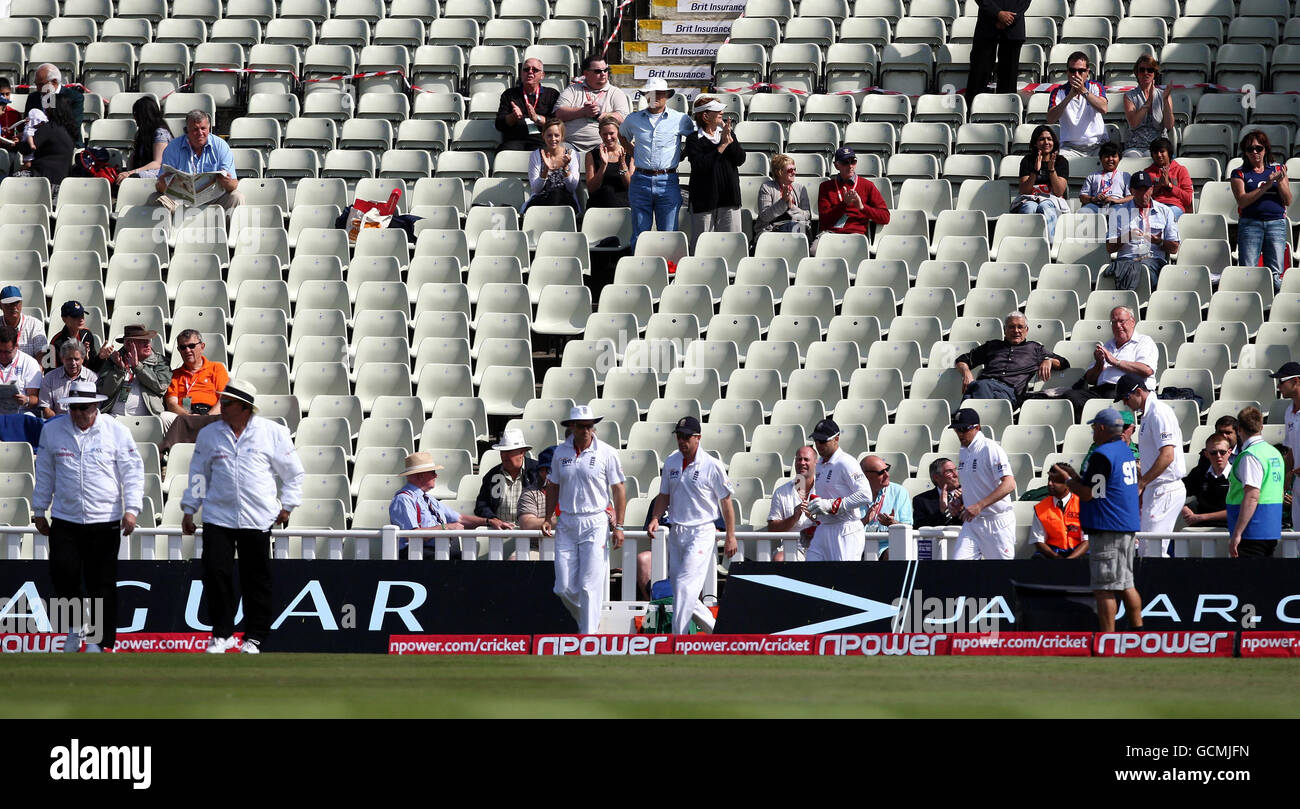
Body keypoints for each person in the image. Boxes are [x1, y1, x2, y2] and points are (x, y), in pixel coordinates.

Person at [181, 380, 305, 654]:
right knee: (215, 574)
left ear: (245, 407)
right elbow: (199, 474)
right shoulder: (210, 434)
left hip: (258, 517)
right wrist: (190, 508)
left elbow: (293, 473)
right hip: (218, 516)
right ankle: (221, 635)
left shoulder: (272, 432)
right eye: (221, 402)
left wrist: (287, 506)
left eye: (227, 403)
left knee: (256, 579)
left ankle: (255, 637)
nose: (221, 407)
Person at [33, 380, 144, 653]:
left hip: (104, 518)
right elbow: (45, 472)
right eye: (73, 408)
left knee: (102, 582)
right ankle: (75, 627)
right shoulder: (53, 431)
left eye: (84, 408)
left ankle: (100, 643)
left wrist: (132, 509)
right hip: (65, 518)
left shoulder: (116, 431)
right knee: (62, 574)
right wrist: (39, 509)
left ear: (95, 406)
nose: (79, 414)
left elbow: (133, 471)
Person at [645, 417, 736, 635]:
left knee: (685, 585)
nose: (682, 441)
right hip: (677, 531)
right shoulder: (671, 462)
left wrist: (731, 535)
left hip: (702, 530)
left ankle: (678, 639)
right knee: (681, 591)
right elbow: (664, 495)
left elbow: (726, 502)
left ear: (698, 438)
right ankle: (720, 633)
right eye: (679, 436)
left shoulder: (712, 465)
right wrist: (656, 517)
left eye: (687, 437)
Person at [542, 405, 627, 634]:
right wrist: (549, 516)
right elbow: (553, 486)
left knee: (590, 586)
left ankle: (587, 638)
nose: (587, 431)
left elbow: (619, 489)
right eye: (581, 426)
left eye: (590, 426)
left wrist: (619, 526)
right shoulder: (561, 453)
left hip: (595, 521)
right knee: (562, 587)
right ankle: (588, 621)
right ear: (572, 427)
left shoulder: (607, 452)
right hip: (567, 521)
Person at [1066, 408, 1144, 632]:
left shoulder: (1103, 454)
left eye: (1093, 428)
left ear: (1101, 428)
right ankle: (1139, 631)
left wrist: (1068, 481)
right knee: (1125, 583)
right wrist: (1075, 475)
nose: (1092, 432)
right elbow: (1100, 487)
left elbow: (1089, 493)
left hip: (1108, 526)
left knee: (1105, 587)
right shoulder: (1125, 450)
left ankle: (1107, 638)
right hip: (1124, 525)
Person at [1114, 371, 1186, 557]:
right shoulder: (1148, 414)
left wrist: (1142, 483)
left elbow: (1167, 455)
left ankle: (1163, 587)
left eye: (1125, 397)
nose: (1124, 403)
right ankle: (1158, 587)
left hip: (1165, 488)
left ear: (1138, 391)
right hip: (1156, 488)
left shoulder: (1159, 412)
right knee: (1147, 548)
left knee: (1154, 551)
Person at [620, 77, 695, 246]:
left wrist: (681, 156)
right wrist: (635, 153)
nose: (656, 97)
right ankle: (639, 270)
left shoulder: (681, 119)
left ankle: (668, 271)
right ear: (645, 95)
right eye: (652, 93)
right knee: (640, 234)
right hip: (640, 180)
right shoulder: (633, 119)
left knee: (668, 234)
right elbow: (622, 136)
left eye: (660, 93)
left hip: (668, 180)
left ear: (667, 95)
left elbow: (694, 140)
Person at [390, 451, 495, 557]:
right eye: (432, 472)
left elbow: (460, 519)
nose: (436, 475)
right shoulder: (403, 499)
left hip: (432, 552)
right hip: (416, 554)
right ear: (421, 475)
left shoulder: (429, 499)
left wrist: (489, 521)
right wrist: (445, 528)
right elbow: (412, 535)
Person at [955, 311, 1067, 404]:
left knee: (976, 389)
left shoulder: (1035, 349)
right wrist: (966, 372)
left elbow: (1064, 362)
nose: (1016, 331)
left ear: (1026, 330)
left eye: (1020, 327)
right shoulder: (992, 346)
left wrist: (1049, 360)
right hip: (984, 387)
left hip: (1009, 394)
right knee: (975, 389)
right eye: (1011, 327)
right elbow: (962, 360)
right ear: (1005, 329)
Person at [950, 407, 1018, 560]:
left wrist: (979, 505)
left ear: (977, 428)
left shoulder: (990, 448)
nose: (960, 434)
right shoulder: (963, 450)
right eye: (956, 430)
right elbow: (974, 484)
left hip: (997, 522)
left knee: (1001, 574)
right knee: (957, 567)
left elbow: (1010, 484)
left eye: (963, 429)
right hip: (972, 523)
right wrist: (960, 501)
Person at [805, 418, 875, 562]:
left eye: (823, 441)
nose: (818, 445)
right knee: (810, 574)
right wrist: (814, 518)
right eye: (816, 441)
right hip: (824, 528)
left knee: (841, 579)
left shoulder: (846, 462)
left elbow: (866, 495)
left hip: (846, 530)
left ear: (836, 439)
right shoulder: (819, 465)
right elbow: (824, 498)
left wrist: (832, 505)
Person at [1231, 130, 1292, 292]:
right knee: (1248, 272)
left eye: (1259, 148)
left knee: (1275, 273)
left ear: (1266, 149)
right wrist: (1267, 184)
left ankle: (1273, 309)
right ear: (1245, 152)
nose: (1255, 152)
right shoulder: (1239, 173)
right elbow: (1242, 201)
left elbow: (1288, 200)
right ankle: (1250, 307)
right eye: (1250, 149)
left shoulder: (1277, 169)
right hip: (1250, 224)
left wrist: (1280, 182)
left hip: (1276, 224)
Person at [683, 95, 745, 251]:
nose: (721, 113)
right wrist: (723, 145)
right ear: (705, 116)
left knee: (731, 247)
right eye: (716, 110)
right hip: (704, 201)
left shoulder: (726, 133)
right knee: (703, 247)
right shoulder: (693, 139)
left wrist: (729, 140)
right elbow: (701, 165)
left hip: (729, 197)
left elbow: (740, 159)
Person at [1104, 170, 1180, 291]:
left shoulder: (1165, 212)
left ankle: (1125, 299)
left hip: (1153, 261)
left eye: (1146, 189)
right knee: (1130, 268)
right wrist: (1126, 237)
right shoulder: (1118, 212)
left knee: (1141, 268)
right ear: (1131, 191)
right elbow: (1109, 248)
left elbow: (1174, 247)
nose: (1143, 193)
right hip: (1126, 260)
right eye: (1139, 189)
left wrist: (1158, 241)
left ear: (1152, 189)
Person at [1227, 407, 1287, 558]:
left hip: (1252, 530)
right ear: (1261, 427)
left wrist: (1238, 533)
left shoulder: (1250, 456)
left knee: (1248, 580)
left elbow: (1252, 495)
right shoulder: (1274, 453)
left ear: (1239, 428)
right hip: (1270, 528)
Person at [155, 110, 242, 209]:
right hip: (180, 201)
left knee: (237, 197)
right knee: (155, 198)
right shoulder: (173, 147)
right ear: (187, 130)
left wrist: (227, 182)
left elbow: (233, 184)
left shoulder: (221, 146)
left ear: (209, 128)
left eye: (203, 128)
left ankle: (227, 225)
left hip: (213, 199)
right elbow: (160, 187)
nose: (200, 133)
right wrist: (162, 184)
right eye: (195, 129)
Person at [815, 147, 890, 253]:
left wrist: (862, 207)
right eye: (845, 162)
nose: (850, 166)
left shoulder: (867, 185)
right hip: (830, 233)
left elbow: (885, 217)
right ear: (836, 165)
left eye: (853, 161)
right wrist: (843, 204)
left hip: (856, 234)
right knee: (815, 250)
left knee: (856, 251)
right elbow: (824, 221)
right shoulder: (825, 187)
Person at [556, 55, 631, 154]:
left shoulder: (616, 92)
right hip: (571, 144)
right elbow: (559, 113)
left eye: (605, 70)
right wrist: (583, 112)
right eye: (598, 71)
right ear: (586, 73)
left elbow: (623, 119)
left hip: (604, 143)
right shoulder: (572, 90)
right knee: (555, 150)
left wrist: (600, 115)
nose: (603, 74)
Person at [97, 324, 172, 422]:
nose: (148, 344)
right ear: (128, 344)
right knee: (98, 420)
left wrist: (138, 367)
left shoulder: (160, 361)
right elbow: (104, 392)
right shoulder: (113, 361)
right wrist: (119, 370)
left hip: (149, 417)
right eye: (143, 341)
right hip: (114, 417)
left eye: (148, 340)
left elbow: (161, 386)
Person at [1045, 51, 1108, 160]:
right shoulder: (1058, 92)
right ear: (1067, 72)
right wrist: (1069, 97)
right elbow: (1050, 119)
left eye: (1081, 71)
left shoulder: (1095, 86)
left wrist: (1083, 91)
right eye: (1072, 70)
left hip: (1098, 145)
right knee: (1057, 162)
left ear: (1087, 72)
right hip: (1070, 148)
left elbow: (1104, 108)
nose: (1076, 74)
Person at [475, 428, 541, 529]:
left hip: (529, 531)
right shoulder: (492, 475)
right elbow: (481, 505)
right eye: (502, 451)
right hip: (500, 531)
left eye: (509, 451)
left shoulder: (537, 472)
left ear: (522, 453)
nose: (504, 456)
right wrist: (493, 519)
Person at [1012, 125, 1070, 240]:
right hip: (1030, 197)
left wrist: (1052, 170)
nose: (1046, 142)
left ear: (1054, 142)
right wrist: (1035, 170)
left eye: (1049, 139)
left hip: (1052, 199)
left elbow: (1059, 192)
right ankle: (1026, 244)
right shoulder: (1027, 160)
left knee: (1045, 206)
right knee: (1029, 207)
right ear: (1035, 143)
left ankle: (1050, 245)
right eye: (1042, 139)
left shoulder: (1061, 161)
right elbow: (1024, 190)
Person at [964, 0, 1029, 102]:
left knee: (1008, 77)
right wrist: (997, 14)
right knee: (979, 74)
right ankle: (973, 111)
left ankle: (1007, 113)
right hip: (987, 25)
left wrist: (1009, 18)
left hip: (1013, 28)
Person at [495, 57, 560, 152]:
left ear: (542, 75)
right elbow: (499, 124)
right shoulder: (509, 94)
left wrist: (536, 118)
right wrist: (513, 117)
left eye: (535, 70)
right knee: (504, 154)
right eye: (526, 69)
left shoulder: (552, 94)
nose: (530, 72)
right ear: (521, 74)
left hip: (541, 140)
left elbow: (557, 123)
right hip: (515, 139)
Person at [767, 445, 818, 561]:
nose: (802, 463)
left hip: (821, 545)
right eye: (799, 459)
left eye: (806, 459)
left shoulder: (825, 489)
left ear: (816, 463)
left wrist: (815, 518)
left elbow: (836, 522)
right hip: (792, 547)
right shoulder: (781, 492)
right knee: (779, 559)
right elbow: (772, 529)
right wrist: (794, 518)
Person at [859, 454, 913, 560]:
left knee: (893, 553)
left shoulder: (899, 492)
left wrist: (893, 523)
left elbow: (908, 528)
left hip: (887, 547)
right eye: (881, 473)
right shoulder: (851, 494)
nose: (887, 475)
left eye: (887, 469)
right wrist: (864, 521)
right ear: (865, 476)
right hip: (857, 547)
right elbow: (844, 529)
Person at [16, 94, 75, 189]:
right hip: (62, 185)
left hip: (44, 182)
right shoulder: (67, 130)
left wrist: (18, 141)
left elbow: (27, 149)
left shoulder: (49, 127)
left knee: (11, 180)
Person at [1030, 462, 1088, 559]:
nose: (1049, 484)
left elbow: (1087, 541)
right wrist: (1056, 557)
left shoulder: (1083, 505)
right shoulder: (1040, 508)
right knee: (1037, 559)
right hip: (1053, 552)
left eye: (1055, 481)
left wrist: (1069, 560)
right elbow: (1038, 541)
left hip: (1078, 551)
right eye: (1049, 480)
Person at [165, 330, 229, 417]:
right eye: (183, 347)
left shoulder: (217, 368)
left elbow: (224, 399)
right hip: (184, 417)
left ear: (202, 347)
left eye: (191, 346)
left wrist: (207, 417)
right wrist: (189, 418)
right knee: (164, 417)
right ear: (179, 350)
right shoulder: (174, 374)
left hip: (211, 414)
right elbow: (171, 403)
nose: (187, 350)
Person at [524, 118, 582, 213]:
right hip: (541, 200)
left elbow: (572, 188)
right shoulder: (536, 155)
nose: (553, 139)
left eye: (556, 135)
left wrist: (565, 167)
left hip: (566, 201)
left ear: (562, 136)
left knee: (557, 194)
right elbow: (536, 189)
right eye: (549, 135)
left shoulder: (572, 154)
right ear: (543, 136)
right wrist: (545, 170)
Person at [1123, 55, 1175, 158]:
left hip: (1159, 145)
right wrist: (1149, 101)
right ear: (1137, 73)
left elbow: (1169, 125)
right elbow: (1134, 123)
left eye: (1150, 70)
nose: (1146, 73)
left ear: (1154, 73)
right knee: (1131, 157)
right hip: (1135, 146)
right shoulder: (1129, 96)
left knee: (1155, 157)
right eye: (1142, 70)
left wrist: (1165, 100)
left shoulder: (1164, 95)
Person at [1181, 434, 1232, 529]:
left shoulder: (1238, 474)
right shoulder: (1199, 473)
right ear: (1206, 454)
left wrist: (1201, 517)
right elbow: (1176, 492)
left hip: (1229, 529)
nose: (1218, 456)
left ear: (1229, 452)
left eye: (1222, 452)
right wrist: (1183, 508)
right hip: (1200, 528)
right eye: (1213, 452)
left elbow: (1239, 510)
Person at [116, 95, 172, 182]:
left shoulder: (160, 133)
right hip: (144, 170)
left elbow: (157, 163)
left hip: (161, 173)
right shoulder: (142, 133)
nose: (134, 118)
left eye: (136, 114)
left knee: (135, 176)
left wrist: (131, 172)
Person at [755, 153, 813, 237]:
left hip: (796, 228)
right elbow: (765, 216)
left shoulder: (800, 189)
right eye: (790, 170)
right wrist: (783, 201)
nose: (794, 173)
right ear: (779, 172)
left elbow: (807, 216)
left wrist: (791, 206)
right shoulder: (766, 187)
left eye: (795, 169)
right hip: (772, 230)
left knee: (798, 229)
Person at [24, 64, 83, 146]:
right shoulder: (33, 97)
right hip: (38, 145)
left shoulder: (74, 98)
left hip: (66, 144)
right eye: (36, 84)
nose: (38, 89)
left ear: (54, 82)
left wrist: (44, 127)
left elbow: (73, 126)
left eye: (41, 84)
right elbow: (27, 123)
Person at [49, 300, 112, 375]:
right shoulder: (56, 342)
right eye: (75, 316)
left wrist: (101, 357)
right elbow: (51, 373)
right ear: (64, 319)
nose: (81, 319)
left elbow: (93, 370)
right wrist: (81, 358)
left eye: (82, 315)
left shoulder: (87, 334)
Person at [584, 114, 634, 209]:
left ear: (618, 133)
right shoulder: (591, 155)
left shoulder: (629, 154)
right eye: (604, 134)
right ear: (600, 134)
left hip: (623, 207)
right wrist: (603, 165)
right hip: (598, 206)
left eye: (611, 133)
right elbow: (591, 188)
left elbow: (631, 187)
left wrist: (622, 164)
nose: (608, 137)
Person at [38, 342, 98, 419]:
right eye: (69, 359)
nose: (73, 363)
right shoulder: (49, 378)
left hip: (83, 422)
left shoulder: (92, 379)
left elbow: (94, 409)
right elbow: (45, 408)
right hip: (56, 422)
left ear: (82, 359)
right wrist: (63, 423)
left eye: (76, 359)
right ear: (62, 359)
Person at [1276, 361, 1300, 533]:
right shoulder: (1288, 411)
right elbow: (1291, 449)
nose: (1278, 386)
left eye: (1281, 381)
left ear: (1296, 381)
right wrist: (1286, 479)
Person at [1143, 137, 1192, 220]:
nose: (1159, 155)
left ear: (1169, 153)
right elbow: (1143, 198)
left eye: (1162, 151)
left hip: (1174, 206)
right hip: (1155, 206)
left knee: (1164, 218)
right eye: (1155, 152)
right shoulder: (1147, 172)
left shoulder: (1180, 170)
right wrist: (1158, 186)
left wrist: (1169, 186)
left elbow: (1188, 198)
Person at [1078, 142, 1132, 215]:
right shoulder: (1092, 176)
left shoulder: (1125, 176)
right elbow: (1082, 197)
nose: (1110, 159)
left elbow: (1131, 197)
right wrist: (1094, 199)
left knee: (1118, 212)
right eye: (1107, 156)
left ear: (1119, 158)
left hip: (1116, 205)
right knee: (1083, 211)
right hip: (1096, 205)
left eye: (1114, 156)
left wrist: (1116, 200)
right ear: (1101, 158)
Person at [0, 324, 42, 415]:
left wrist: (26, 400)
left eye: (7, 352)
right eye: (0, 351)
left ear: (16, 346)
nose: (3, 356)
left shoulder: (29, 363)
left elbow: (35, 399)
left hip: (21, 412)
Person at [0, 285, 48, 363]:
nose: (14, 307)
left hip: (29, 373)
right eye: (9, 303)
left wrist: (36, 373)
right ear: (1, 305)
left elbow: (41, 355)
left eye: (16, 303)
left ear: (21, 303)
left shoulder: (34, 325)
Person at [913, 457, 964, 529]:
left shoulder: (969, 494)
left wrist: (963, 508)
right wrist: (944, 512)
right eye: (949, 471)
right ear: (936, 477)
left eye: (955, 470)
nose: (956, 475)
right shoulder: (921, 500)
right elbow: (919, 528)